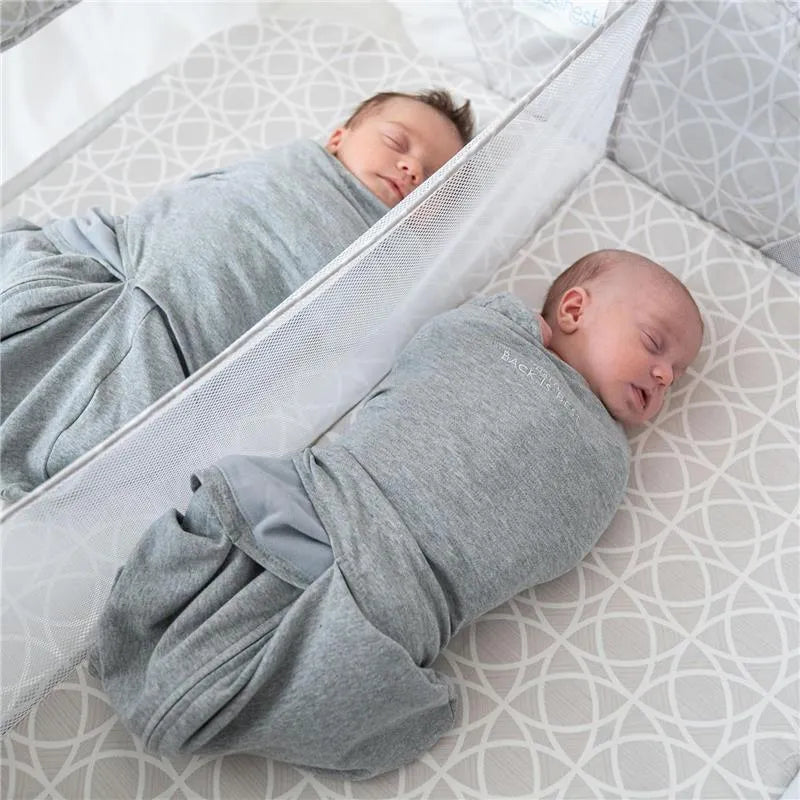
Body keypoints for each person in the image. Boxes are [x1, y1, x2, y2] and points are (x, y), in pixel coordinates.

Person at [89, 249, 703, 778]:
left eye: (675, 376)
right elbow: (431, 353)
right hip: (330, 495)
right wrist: (501, 323)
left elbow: (559, 541)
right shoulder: (494, 334)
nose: (663, 374)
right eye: (655, 345)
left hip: (410, 588)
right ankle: (141, 633)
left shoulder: (605, 458)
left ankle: (223, 705)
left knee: (347, 670)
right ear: (572, 310)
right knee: (228, 511)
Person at [0, 89, 474, 502]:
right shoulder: (292, 163)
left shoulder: (391, 257)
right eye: (395, 143)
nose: (412, 167)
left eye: (435, 176)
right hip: (111, 262)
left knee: (77, 436)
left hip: (176, 350)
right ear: (337, 138)